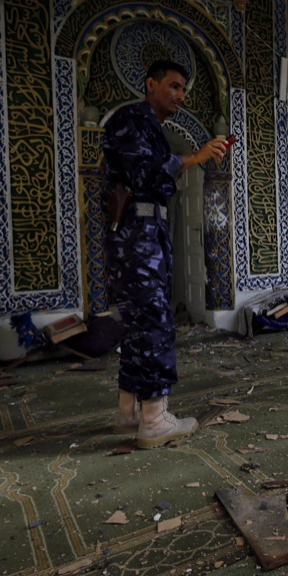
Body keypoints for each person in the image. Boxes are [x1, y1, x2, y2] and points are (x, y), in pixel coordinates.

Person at [103, 59, 230, 448]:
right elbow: (145, 175)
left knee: (139, 325)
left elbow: (157, 179)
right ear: (150, 84)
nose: (180, 96)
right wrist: (195, 157)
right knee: (155, 322)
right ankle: (155, 420)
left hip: (147, 233)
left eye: (183, 90)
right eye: (173, 86)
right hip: (137, 236)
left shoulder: (152, 128)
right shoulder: (130, 120)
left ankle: (128, 413)